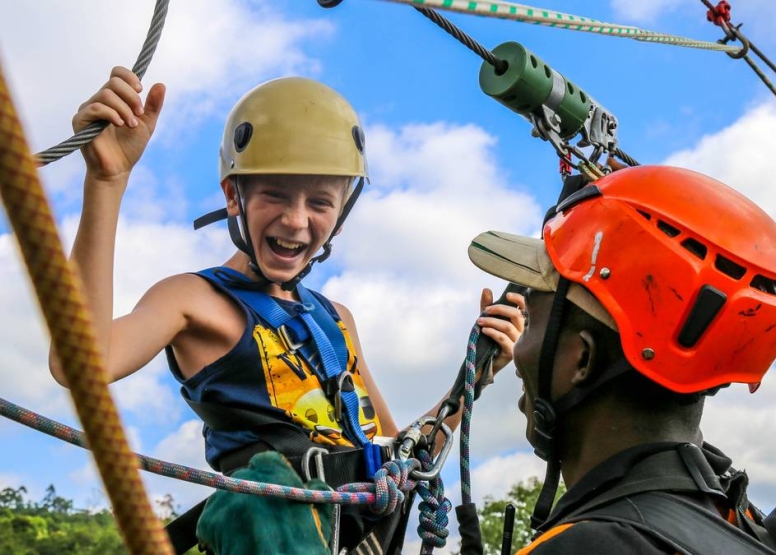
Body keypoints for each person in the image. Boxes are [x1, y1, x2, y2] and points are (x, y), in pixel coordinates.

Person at [48, 66, 523, 553]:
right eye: (275, 193)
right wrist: (107, 181)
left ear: (340, 214)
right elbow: (80, 363)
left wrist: (474, 377)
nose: (296, 220)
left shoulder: (336, 319)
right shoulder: (193, 299)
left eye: (320, 202)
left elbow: (399, 456)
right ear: (234, 195)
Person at [468, 165, 776, 554]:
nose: (516, 352)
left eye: (530, 322)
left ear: (583, 358)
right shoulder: (738, 525)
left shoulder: (588, 546)